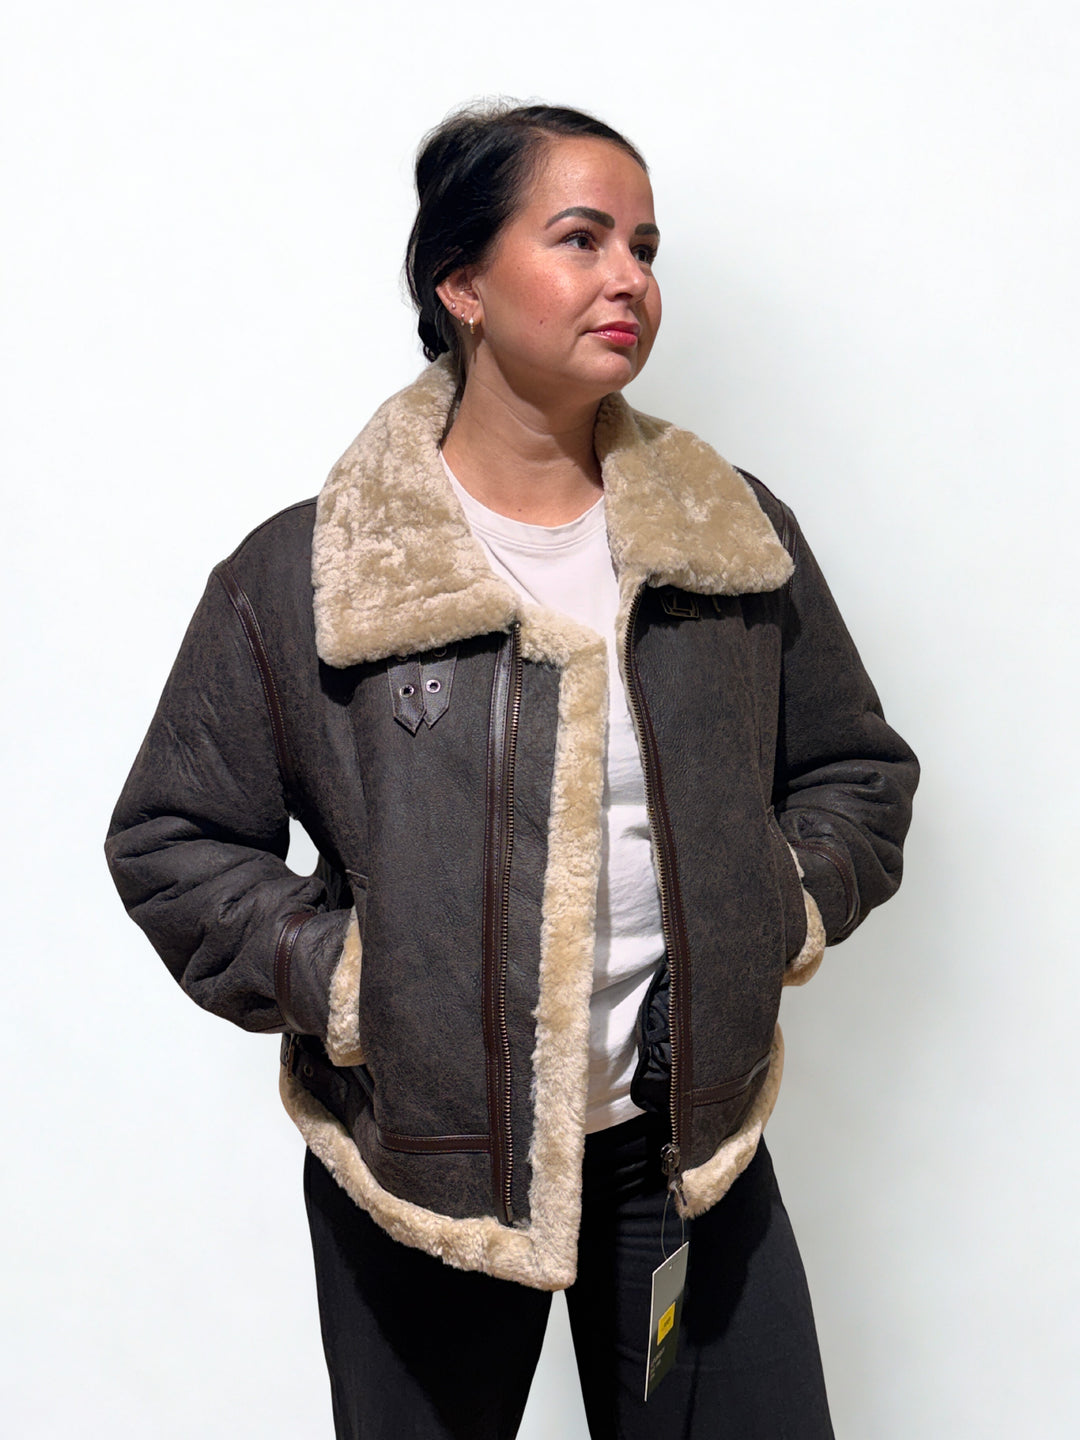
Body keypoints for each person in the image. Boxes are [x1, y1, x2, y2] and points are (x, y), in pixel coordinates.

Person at [106, 102, 918, 1439]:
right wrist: (357, 986)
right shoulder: (313, 570)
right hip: (424, 1179)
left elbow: (853, 772)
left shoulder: (730, 536)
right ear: (463, 284)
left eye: (644, 247)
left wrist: (770, 909)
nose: (628, 279)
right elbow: (173, 839)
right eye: (581, 239)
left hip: (684, 1167)